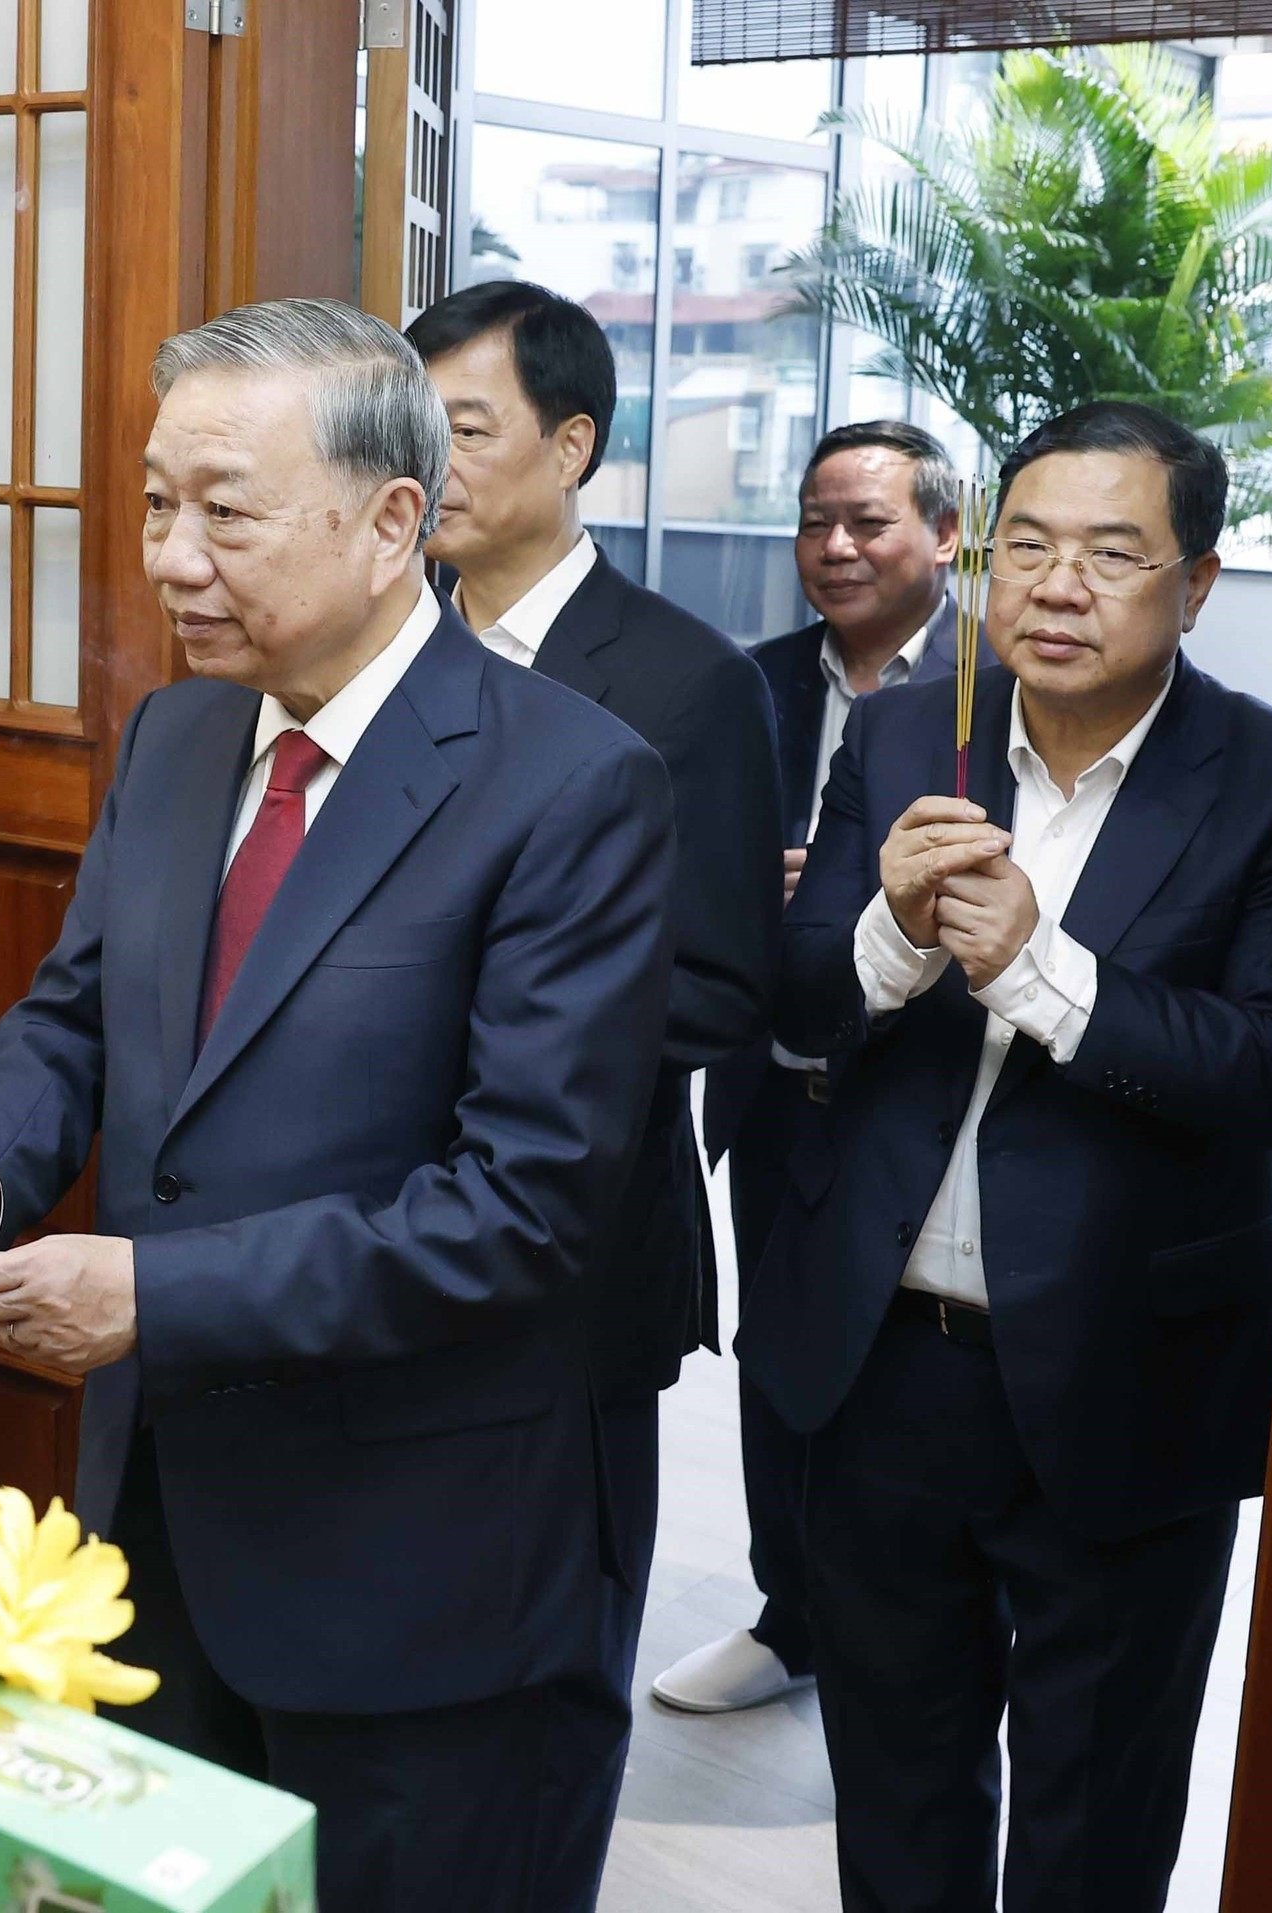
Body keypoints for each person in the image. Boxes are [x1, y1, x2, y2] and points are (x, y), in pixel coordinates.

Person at [0, 298, 678, 1911]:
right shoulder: (176, 735)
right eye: (157, 502)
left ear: (390, 521)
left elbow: (520, 1211)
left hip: (418, 1569)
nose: (171, 557)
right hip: (162, 1523)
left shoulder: (572, 786)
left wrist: (154, 1294)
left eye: (224, 513)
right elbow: (75, 1015)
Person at [747, 401, 1272, 1910]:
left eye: (1113, 554)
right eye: (1028, 548)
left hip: (1128, 1371)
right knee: (898, 1792)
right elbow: (796, 1002)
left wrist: (1038, 970)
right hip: (884, 1362)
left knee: (1094, 1817)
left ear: (1197, 585)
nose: (1059, 586)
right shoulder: (905, 732)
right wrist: (887, 934)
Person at [403, 278, 779, 1687]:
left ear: (571, 448)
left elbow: (720, 984)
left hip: (579, 1235)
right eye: (408, 427)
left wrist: (448, 1016)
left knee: (553, 1642)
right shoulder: (384, 647)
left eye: (464, 429)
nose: (426, 463)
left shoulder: (689, 681)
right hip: (380, 1215)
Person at [660, 418, 986, 1714]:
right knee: (777, 1351)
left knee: (901, 1373)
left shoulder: (1000, 681)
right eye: (814, 524)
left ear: (946, 535)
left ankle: (912, 1640)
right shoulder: (749, 681)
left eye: (868, 522)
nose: (836, 547)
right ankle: (788, 1614)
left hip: (917, 1078)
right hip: (775, 1070)